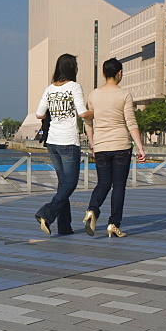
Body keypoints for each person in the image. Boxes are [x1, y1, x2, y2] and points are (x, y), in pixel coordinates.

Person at [82, 58, 147, 238]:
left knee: (103, 183)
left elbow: (88, 121)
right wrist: (140, 147)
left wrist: (93, 143)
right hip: (120, 146)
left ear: (103, 73)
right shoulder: (124, 95)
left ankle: (92, 210)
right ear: (120, 73)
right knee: (118, 186)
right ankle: (113, 224)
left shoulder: (93, 95)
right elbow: (131, 123)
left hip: (101, 146)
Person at [34, 53, 91, 235]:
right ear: (72, 68)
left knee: (63, 184)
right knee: (71, 183)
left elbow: (39, 114)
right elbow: (82, 113)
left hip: (52, 141)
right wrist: (96, 112)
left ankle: (64, 227)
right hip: (68, 141)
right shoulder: (74, 87)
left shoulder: (49, 89)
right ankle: (47, 212)